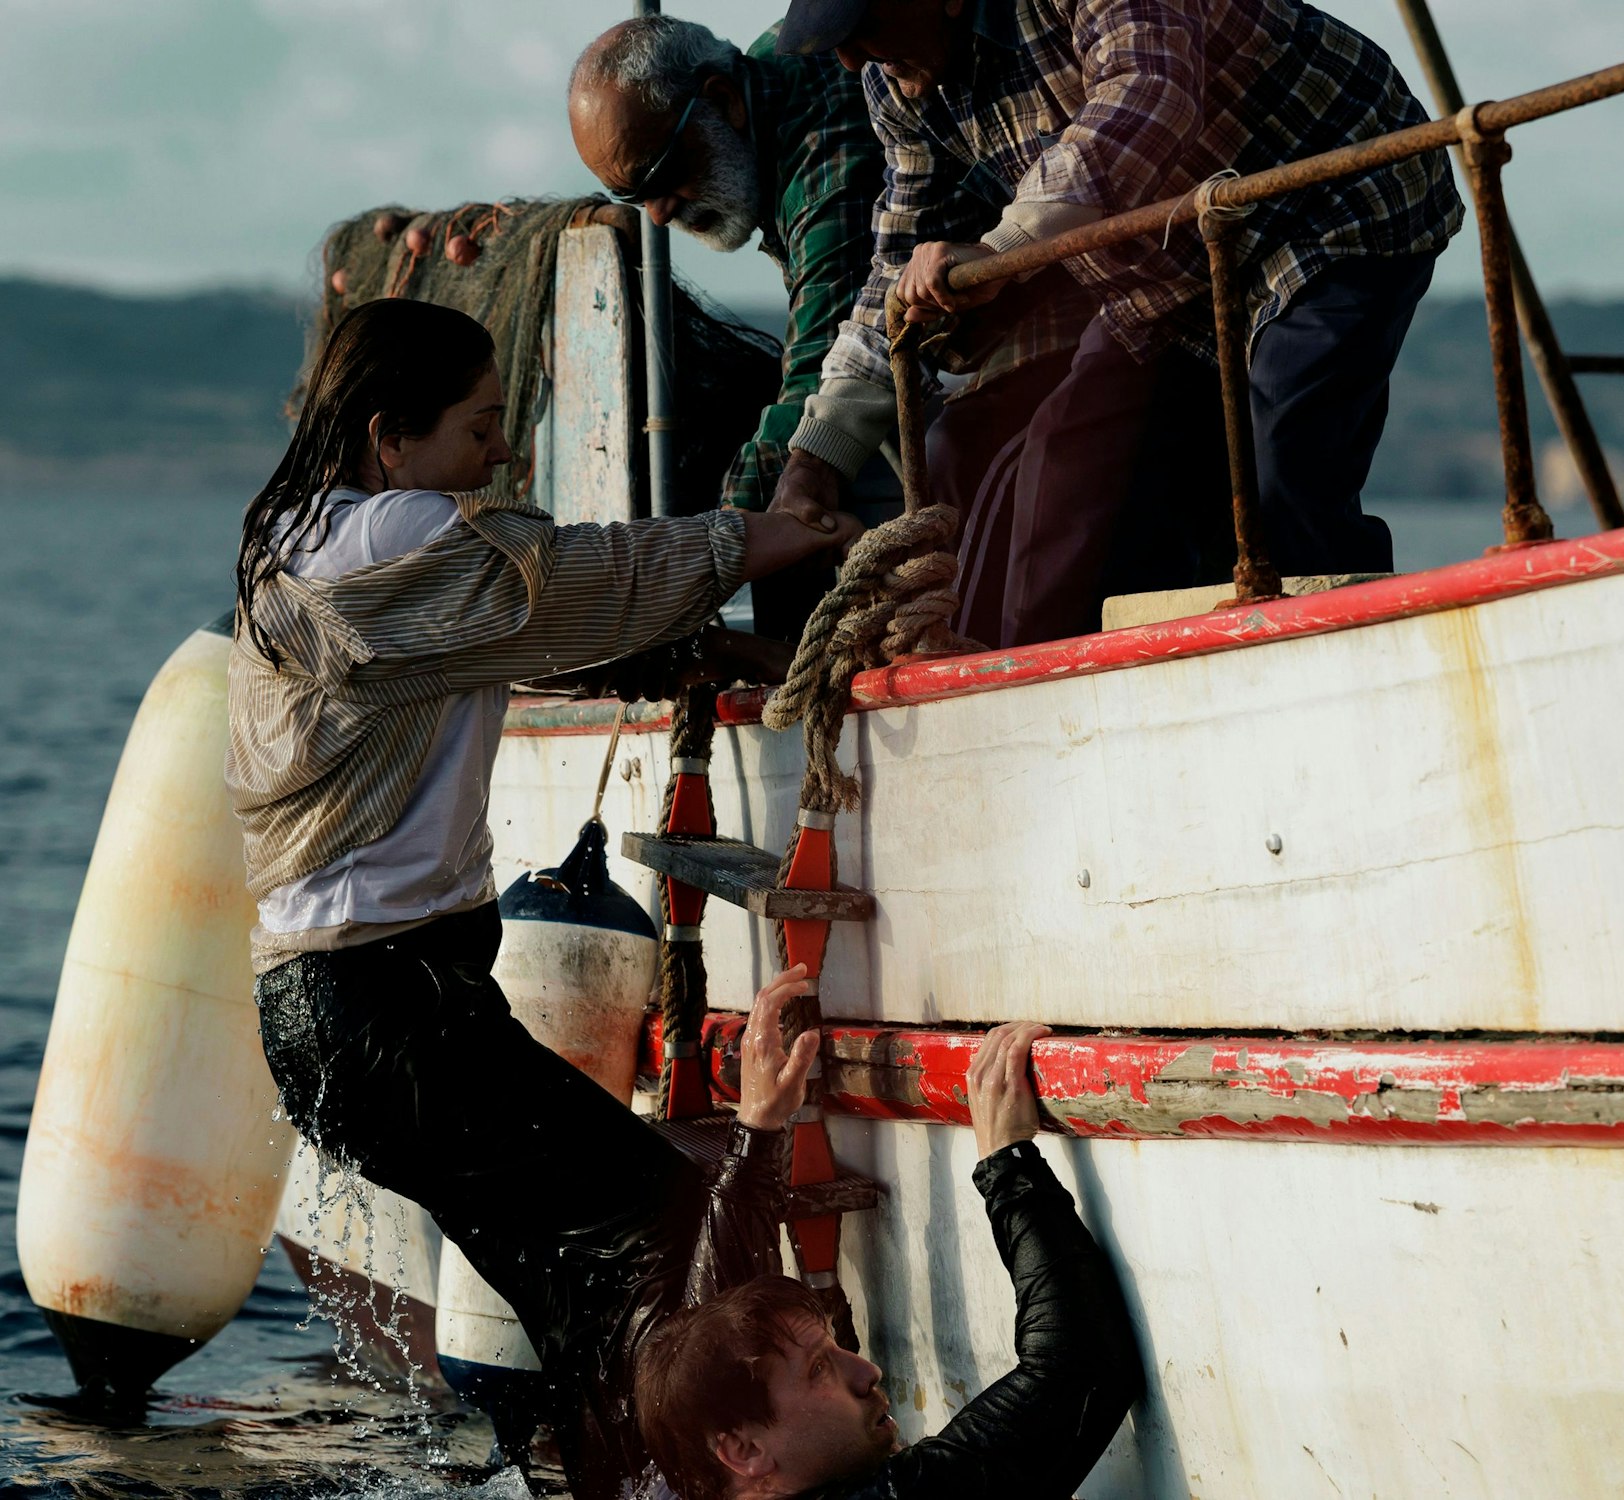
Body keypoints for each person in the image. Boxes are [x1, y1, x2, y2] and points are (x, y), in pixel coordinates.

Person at [230, 295, 859, 1497]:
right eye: (479, 429)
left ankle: (587, 1480)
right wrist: (755, 540)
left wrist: (678, 651)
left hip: (334, 1017)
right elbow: (561, 580)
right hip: (392, 1009)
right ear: (389, 439)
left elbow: (487, 631)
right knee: (666, 1232)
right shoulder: (393, 537)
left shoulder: (298, 542)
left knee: (576, 1290)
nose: (501, 455)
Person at [768, 0, 1465, 648]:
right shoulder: (897, 83)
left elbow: (1148, 93)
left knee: (1284, 458)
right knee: (1068, 460)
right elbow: (897, 262)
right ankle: (1069, 684)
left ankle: (1346, 654)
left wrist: (1003, 250)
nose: (850, 61)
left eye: (858, 26)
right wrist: (818, 456)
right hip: (1169, 261)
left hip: (1324, 204)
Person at [568, 12, 1092, 640]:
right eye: (633, 198)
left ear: (722, 101)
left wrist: (724, 545)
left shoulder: (827, 136)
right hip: (960, 338)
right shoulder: (781, 81)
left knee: (978, 474)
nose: (656, 213)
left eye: (660, 175)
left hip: (1068, 313)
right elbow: (882, 288)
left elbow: (830, 329)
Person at [634, 1021, 1143, 1499]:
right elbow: (1082, 1367)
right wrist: (1007, 1166)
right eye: (818, 1369)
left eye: (833, 1351)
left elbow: (709, 1350)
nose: (868, 1372)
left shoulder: (688, 1470)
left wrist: (756, 1131)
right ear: (743, 1452)